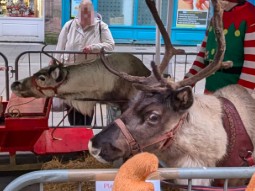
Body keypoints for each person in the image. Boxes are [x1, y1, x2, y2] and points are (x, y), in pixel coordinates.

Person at [52, 0, 115, 126]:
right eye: (82, 12)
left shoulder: (101, 26)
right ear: (78, 11)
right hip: (70, 74)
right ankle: (75, 131)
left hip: (90, 76)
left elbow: (110, 45)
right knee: (72, 106)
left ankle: (85, 131)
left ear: (92, 12)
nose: (85, 15)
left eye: (87, 12)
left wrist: (93, 47)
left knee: (87, 106)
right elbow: (60, 47)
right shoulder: (69, 25)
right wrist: (55, 66)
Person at [185, 0, 255, 94]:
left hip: (234, 99)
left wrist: (238, 99)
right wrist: (185, 85)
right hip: (211, 95)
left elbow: (251, 65)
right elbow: (202, 56)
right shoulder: (216, 16)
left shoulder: (251, 16)